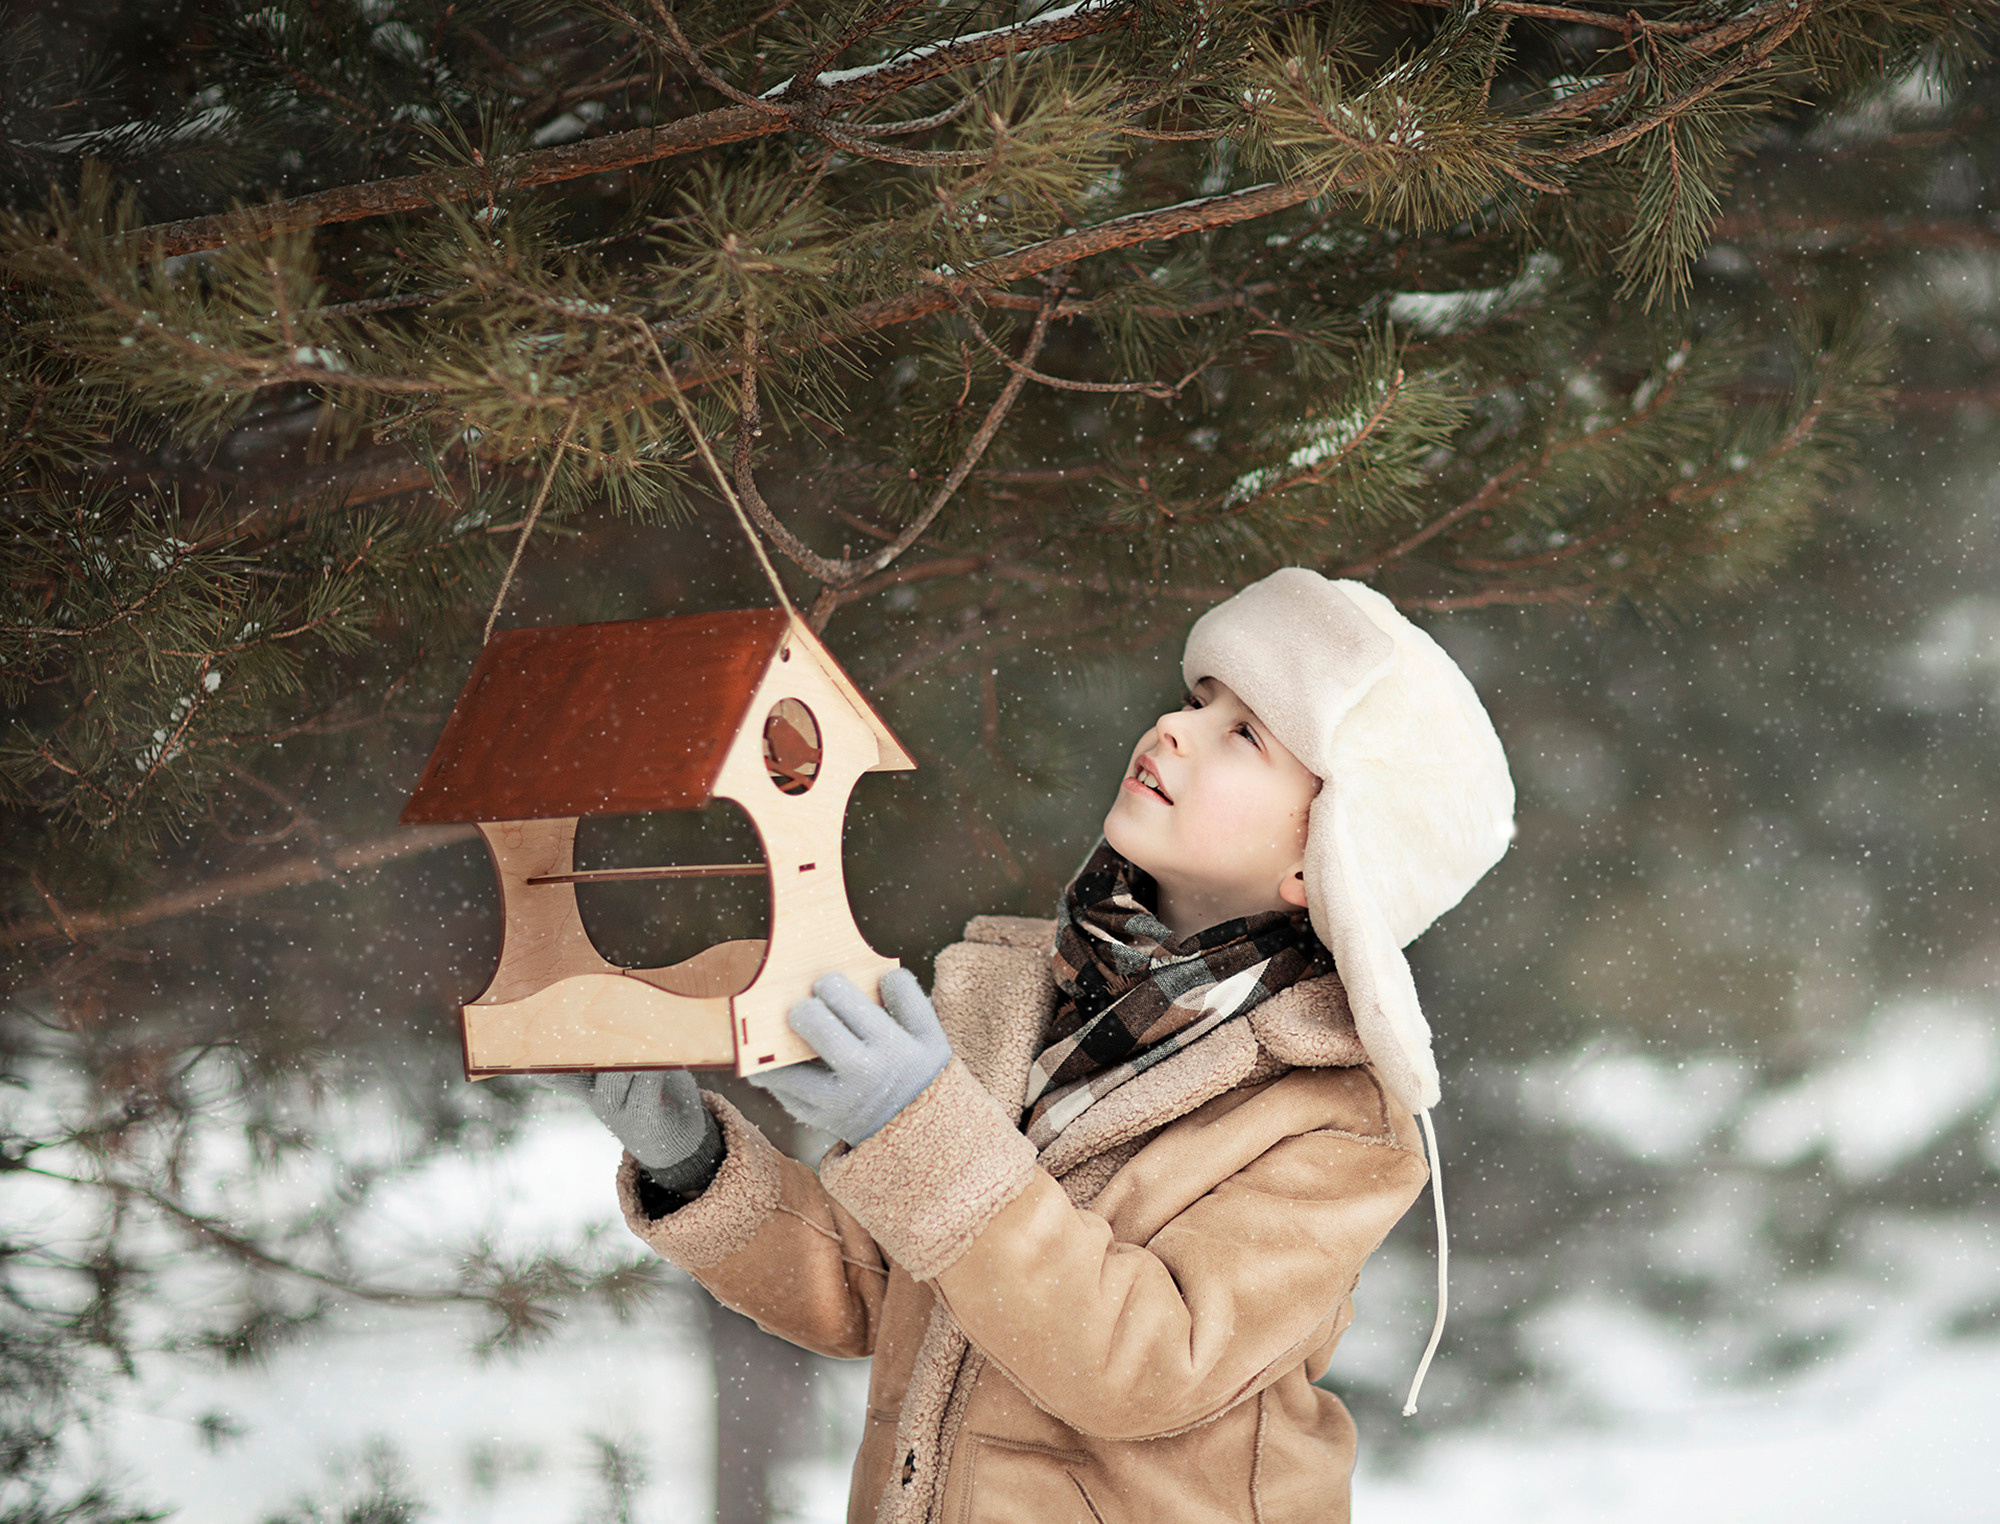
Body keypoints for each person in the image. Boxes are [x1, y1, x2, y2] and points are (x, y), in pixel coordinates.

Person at [552, 569, 1515, 1524]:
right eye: (1197, 699)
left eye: (1244, 737)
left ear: (1323, 861)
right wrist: (696, 1163)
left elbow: (1142, 1366)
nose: (1173, 729)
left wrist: (916, 1126)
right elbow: (884, 1292)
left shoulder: (1333, 1120)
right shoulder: (1014, 992)